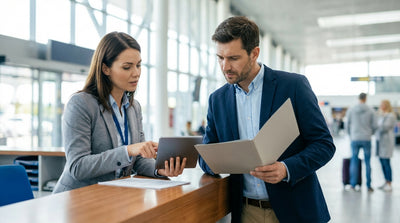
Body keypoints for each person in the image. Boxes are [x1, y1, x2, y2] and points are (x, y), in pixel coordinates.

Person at [198, 16, 335, 223]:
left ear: (254, 53)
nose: (225, 66)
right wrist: (213, 162)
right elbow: (207, 154)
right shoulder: (218, 100)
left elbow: (324, 144)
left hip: (296, 210)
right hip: (245, 212)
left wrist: (286, 168)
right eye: (220, 57)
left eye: (233, 58)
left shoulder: (293, 86)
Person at [53, 32, 186, 193]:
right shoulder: (81, 104)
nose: (136, 73)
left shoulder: (133, 107)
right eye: (127, 67)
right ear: (105, 68)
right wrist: (128, 150)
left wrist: (160, 169)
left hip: (113, 196)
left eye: (138, 65)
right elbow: (78, 167)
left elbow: (137, 162)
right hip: (78, 198)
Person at [346, 93, 377, 192]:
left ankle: (353, 185)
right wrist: (370, 133)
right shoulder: (371, 110)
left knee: (354, 161)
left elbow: (347, 124)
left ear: (359, 98)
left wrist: (351, 135)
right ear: (365, 98)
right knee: (367, 162)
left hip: (355, 138)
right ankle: (368, 185)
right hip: (367, 138)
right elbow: (375, 125)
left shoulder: (351, 109)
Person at [375, 100, 396, 192]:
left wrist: (376, 126)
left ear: (386, 105)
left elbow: (385, 127)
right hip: (380, 141)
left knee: (386, 162)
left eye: (382, 104)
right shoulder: (382, 115)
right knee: (382, 162)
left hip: (387, 142)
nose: (381, 106)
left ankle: (389, 183)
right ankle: (385, 181)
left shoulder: (391, 116)